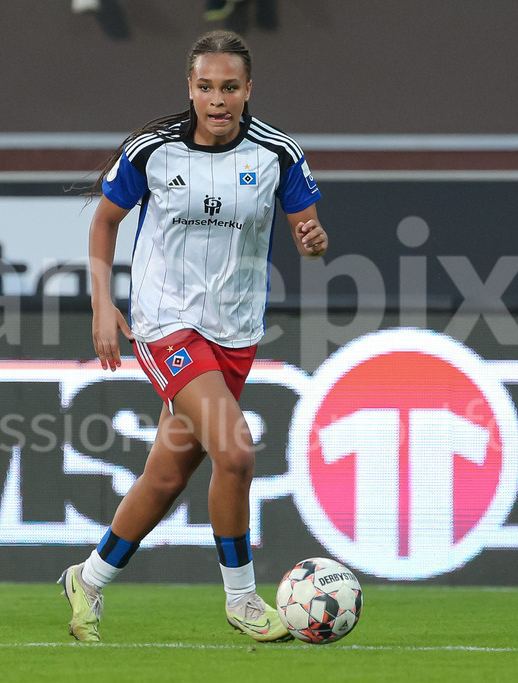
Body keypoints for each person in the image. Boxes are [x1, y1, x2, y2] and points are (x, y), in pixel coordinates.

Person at [59, 29, 328, 643]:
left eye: (229, 86)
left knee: (167, 476)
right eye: (205, 86)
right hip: (164, 322)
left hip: (235, 334)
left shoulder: (278, 155)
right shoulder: (152, 152)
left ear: (248, 89)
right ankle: (242, 599)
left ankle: (89, 579)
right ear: (190, 88)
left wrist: (314, 241)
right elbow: (104, 222)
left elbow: (310, 230)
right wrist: (103, 305)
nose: (217, 98)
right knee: (235, 452)